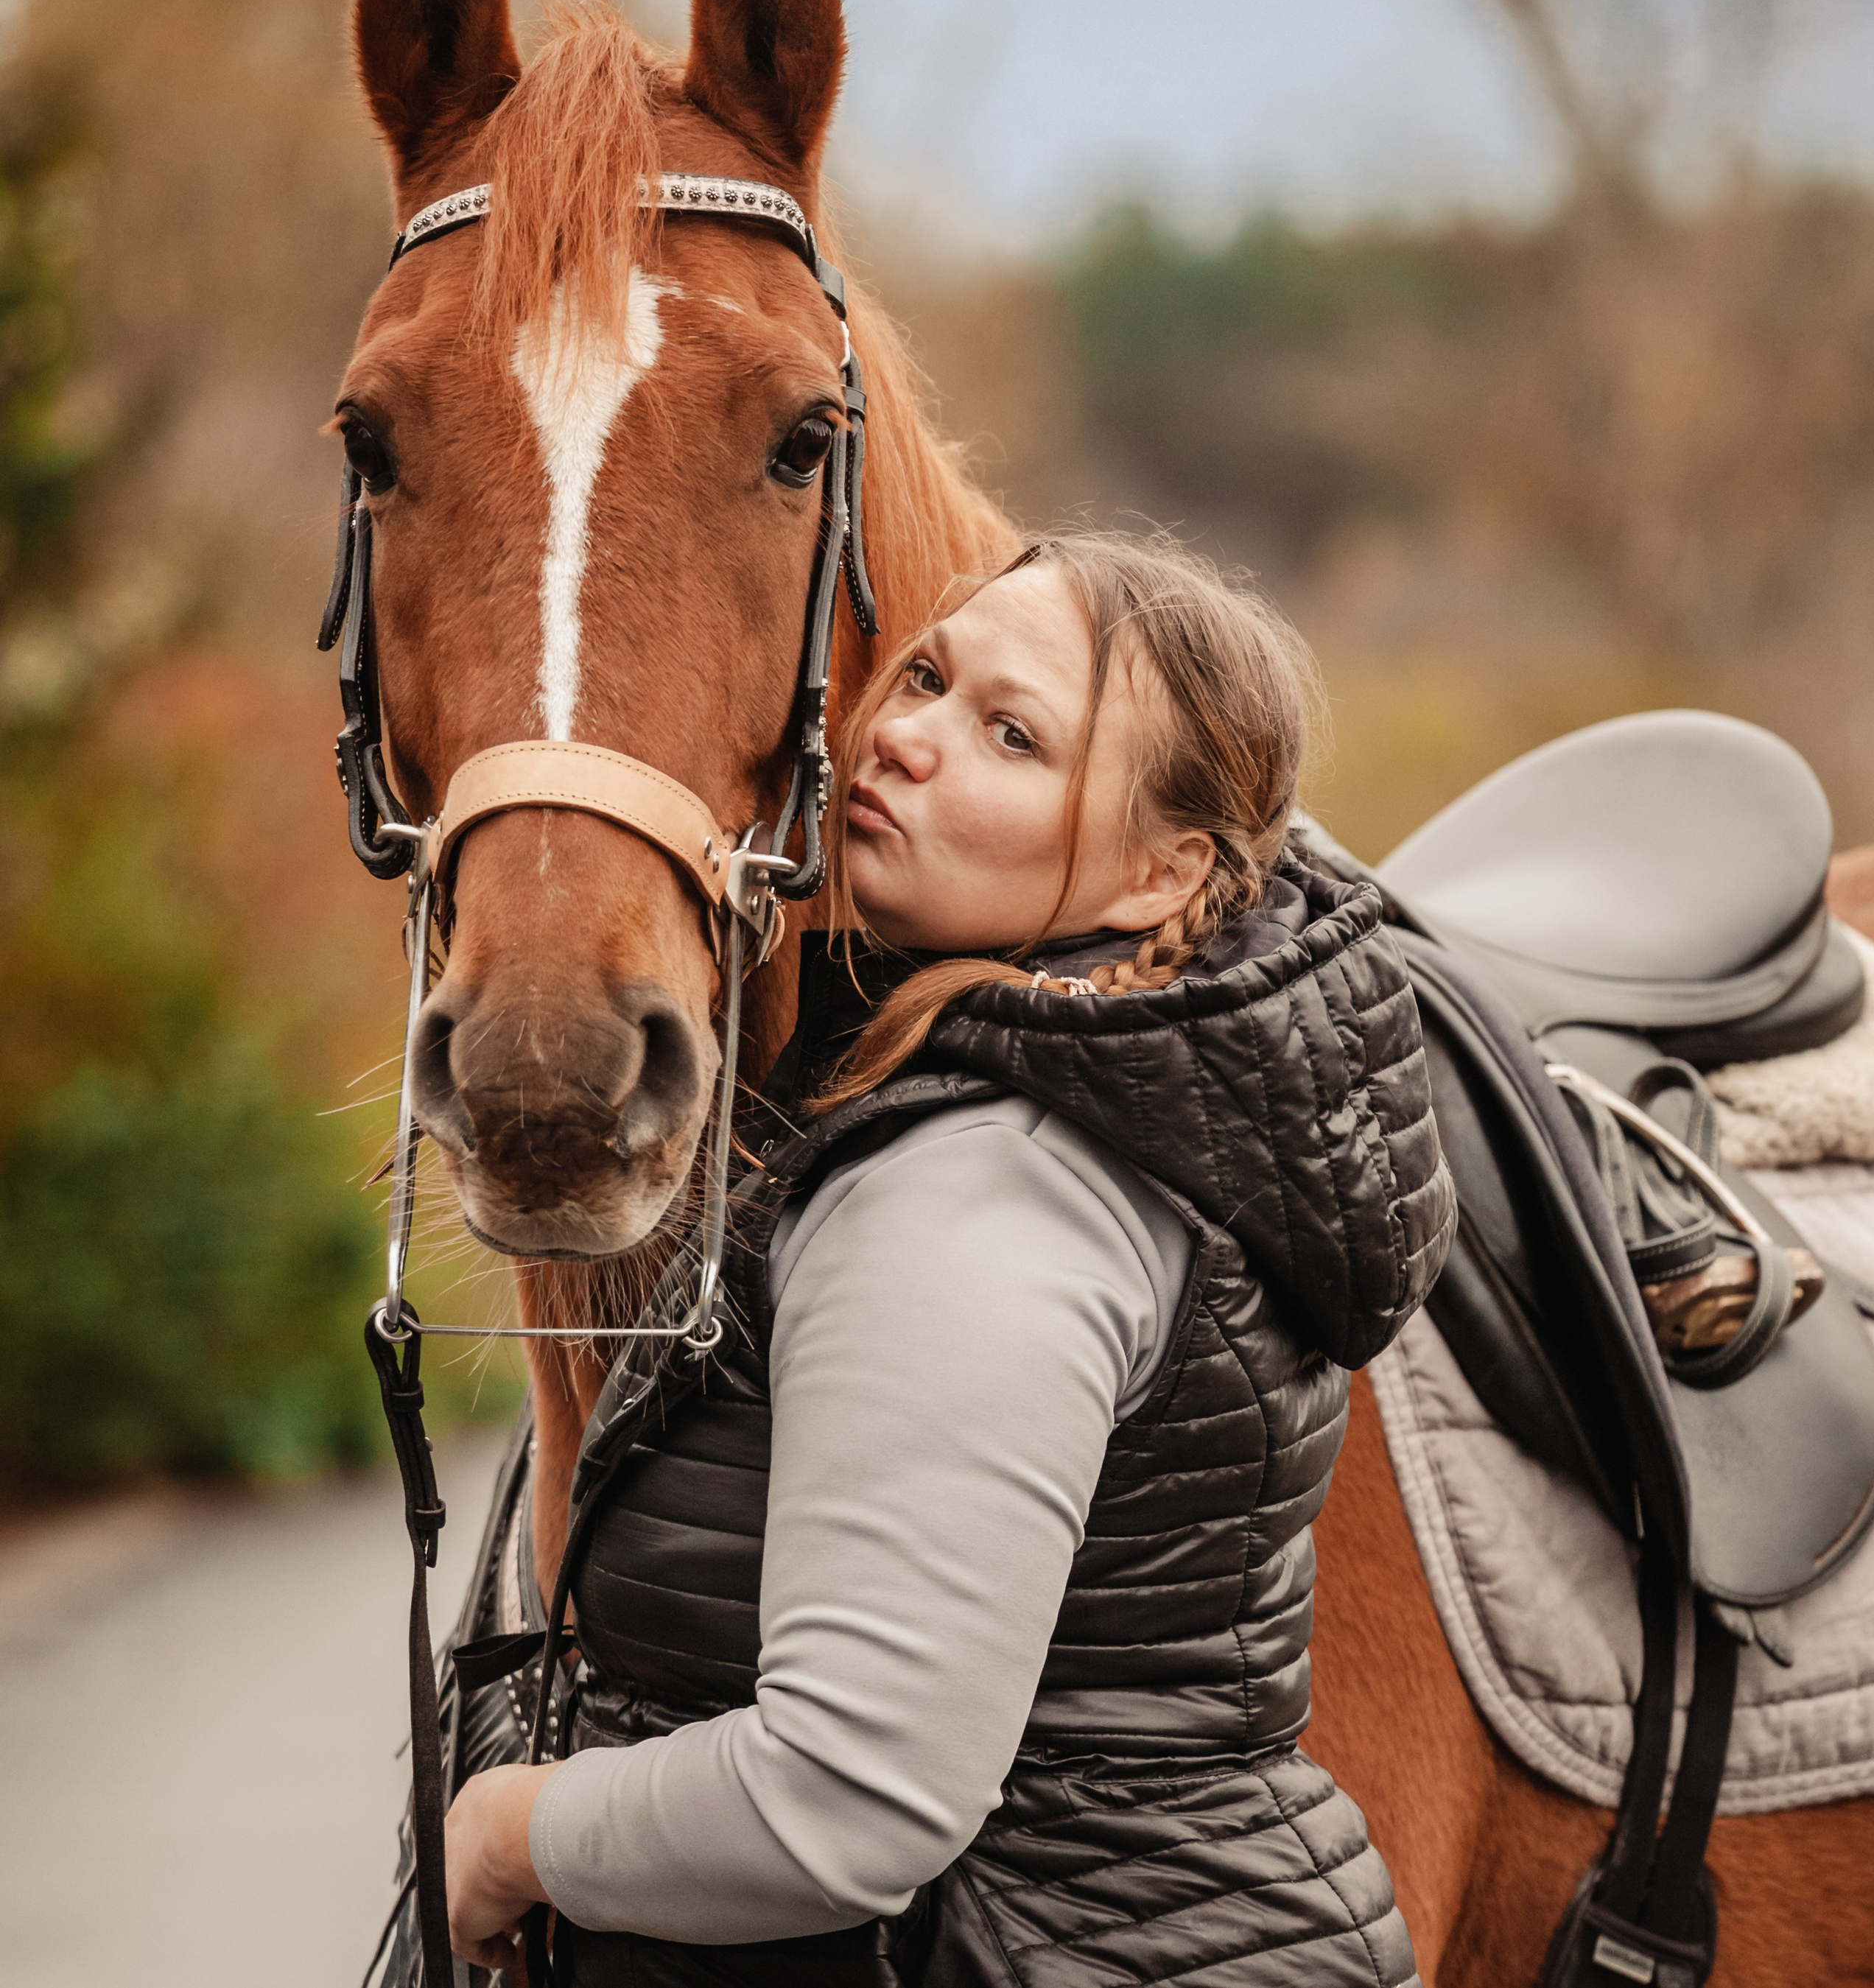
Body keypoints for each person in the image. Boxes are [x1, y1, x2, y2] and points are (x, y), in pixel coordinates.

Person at [443, 531, 1454, 1986]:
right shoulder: (1124, 1097)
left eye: (1011, 733)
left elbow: (849, 1798)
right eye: (923, 675)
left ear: (1169, 874)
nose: (905, 739)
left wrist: (511, 1830)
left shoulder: (983, 1184)